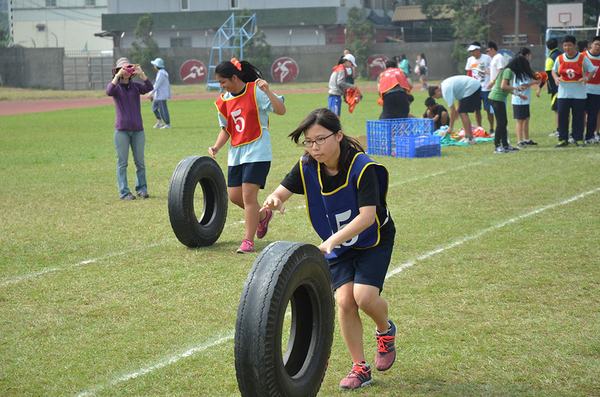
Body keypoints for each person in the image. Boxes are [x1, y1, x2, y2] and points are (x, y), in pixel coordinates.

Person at [261, 108, 397, 391]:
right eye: (308, 142)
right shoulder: (307, 165)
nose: (313, 147)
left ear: (338, 135)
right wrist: (274, 200)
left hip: (372, 239)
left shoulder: (363, 168)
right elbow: (281, 191)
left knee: (365, 298)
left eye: (320, 140)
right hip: (337, 244)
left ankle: (385, 331)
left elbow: (367, 217)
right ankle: (360, 367)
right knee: (345, 301)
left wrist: (334, 240)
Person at [209, 58, 286, 253]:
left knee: (249, 196)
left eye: (223, 81)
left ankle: (248, 241)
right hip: (236, 153)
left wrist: (268, 91)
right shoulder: (223, 100)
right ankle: (263, 216)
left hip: (258, 151)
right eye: (219, 82)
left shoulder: (255, 91)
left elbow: (281, 110)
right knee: (235, 197)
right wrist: (217, 146)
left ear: (234, 77)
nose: (221, 86)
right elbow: (226, 129)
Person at [106, 57, 153, 200]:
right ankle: (124, 192)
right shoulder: (116, 88)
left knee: (140, 162)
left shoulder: (136, 87)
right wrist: (118, 76)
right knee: (122, 162)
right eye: (123, 68)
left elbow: (149, 88)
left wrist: (141, 73)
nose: (126, 71)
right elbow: (109, 91)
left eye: (128, 68)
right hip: (121, 131)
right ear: (117, 71)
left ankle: (142, 189)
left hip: (138, 130)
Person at [552, 35, 596, 147]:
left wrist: (586, 78)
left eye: (569, 45)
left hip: (579, 94)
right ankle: (563, 139)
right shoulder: (560, 58)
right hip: (563, 94)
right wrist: (556, 78)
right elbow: (554, 71)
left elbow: (592, 70)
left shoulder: (582, 58)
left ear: (574, 45)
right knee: (562, 116)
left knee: (578, 117)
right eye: (565, 45)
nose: (567, 48)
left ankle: (578, 138)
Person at [428, 75, 482, 145]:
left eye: (436, 97)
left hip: (472, 87)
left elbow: (452, 110)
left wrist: (451, 127)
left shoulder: (445, 91)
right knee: (462, 111)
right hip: (473, 85)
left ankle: (470, 138)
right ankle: (467, 136)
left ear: (436, 91)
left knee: (463, 112)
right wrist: (457, 110)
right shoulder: (444, 85)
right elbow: (460, 96)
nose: (438, 99)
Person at [512, 48, 541, 148]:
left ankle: (526, 139)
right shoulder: (520, 72)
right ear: (527, 56)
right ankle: (520, 141)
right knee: (520, 120)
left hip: (524, 99)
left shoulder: (523, 71)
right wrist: (534, 82)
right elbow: (522, 86)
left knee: (526, 118)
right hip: (520, 99)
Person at [465, 41, 494, 134]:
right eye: (471, 52)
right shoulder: (470, 60)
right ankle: (479, 128)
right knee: (477, 109)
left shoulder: (487, 58)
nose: (472, 53)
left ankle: (491, 128)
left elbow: (493, 70)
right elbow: (469, 73)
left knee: (488, 109)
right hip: (475, 88)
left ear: (478, 50)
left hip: (486, 88)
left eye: (473, 51)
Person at [545, 38, 563, 137]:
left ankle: (559, 129)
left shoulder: (550, 58)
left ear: (547, 47)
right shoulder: (563, 55)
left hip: (556, 88)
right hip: (566, 85)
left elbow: (548, 73)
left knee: (557, 109)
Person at [584, 36, 600, 144]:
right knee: (580, 112)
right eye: (596, 44)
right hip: (583, 89)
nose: (598, 47)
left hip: (597, 90)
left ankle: (592, 134)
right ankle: (578, 134)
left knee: (593, 113)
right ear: (591, 45)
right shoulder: (583, 56)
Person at [148, 57, 172, 129]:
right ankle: (159, 122)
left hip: (162, 95)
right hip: (159, 95)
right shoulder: (161, 73)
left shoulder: (161, 74)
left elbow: (157, 84)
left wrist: (151, 93)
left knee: (163, 110)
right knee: (154, 108)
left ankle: (167, 124)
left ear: (156, 66)